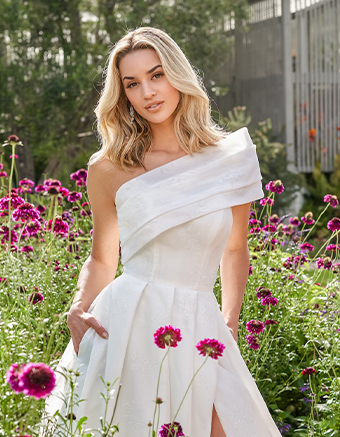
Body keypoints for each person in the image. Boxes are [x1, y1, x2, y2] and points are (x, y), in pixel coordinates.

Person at [43, 27, 281, 437]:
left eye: (157, 75)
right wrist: (78, 307)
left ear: (178, 75)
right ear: (122, 94)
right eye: (132, 84)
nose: (148, 92)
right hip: (128, 322)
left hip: (202, 322)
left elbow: (235, 248)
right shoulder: (108, 168)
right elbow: (103, 256)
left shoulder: (230, 160)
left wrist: (230, 321)